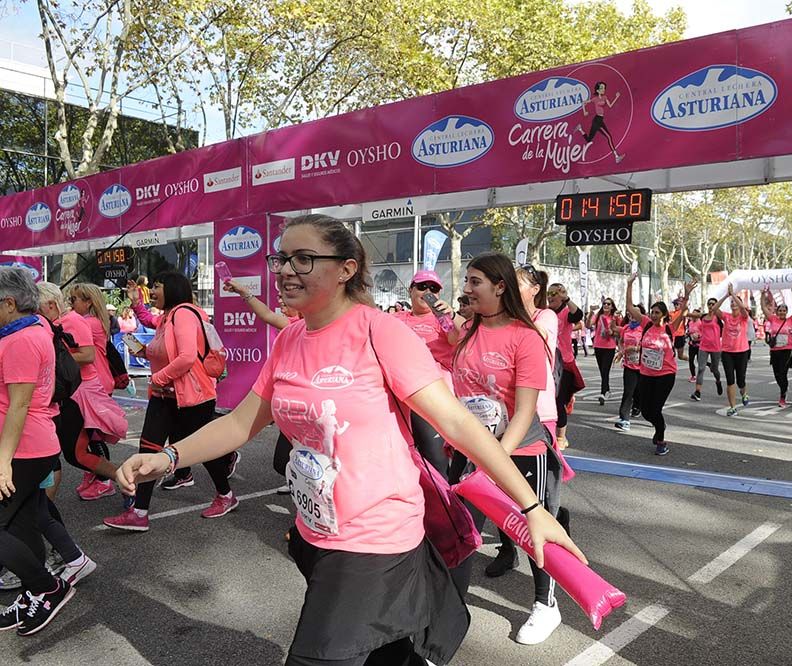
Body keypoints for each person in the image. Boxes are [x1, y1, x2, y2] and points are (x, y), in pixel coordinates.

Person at [115, 217, 583, 665]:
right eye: (281, 259)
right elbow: (241, 423)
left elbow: (459, 425)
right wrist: (168, 457)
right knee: (385, 655)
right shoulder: (291, 338)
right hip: (314, 534)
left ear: (346, 268)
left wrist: (532, 508)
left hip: (376, 539)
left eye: (303, 259)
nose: (285, 271)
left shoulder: (380, 332)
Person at [450, 253, 565, 645]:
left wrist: (494, 458)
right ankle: (446, 614)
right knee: (460, 530)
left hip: (522, 450)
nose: (467, 289)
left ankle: (545, 604)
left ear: (501, 287)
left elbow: (525, 409)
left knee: (534, 528)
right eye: (467, 281)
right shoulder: (467, 331)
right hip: (473, 451)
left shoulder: (526, 336)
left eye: (475, 281)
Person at [104, 271, 239, 531]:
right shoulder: (167, 317)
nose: (150, 290)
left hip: (192, 399)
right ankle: (139, 512)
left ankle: (226, 494)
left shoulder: (184, 314)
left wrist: (158, 378)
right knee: (148, 450)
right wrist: (135, 306)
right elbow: (150, 329)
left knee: (203, 452)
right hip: (164, 397)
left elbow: (187, 357)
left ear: (173, 288)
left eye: (156, 285)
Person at [0, 268, 76, 636]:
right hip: (30, 444)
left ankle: (47, 586)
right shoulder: (29, 329)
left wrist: (2, 463)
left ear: (10, 303)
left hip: (22, 449)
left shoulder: (20, 340)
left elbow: (19, 405)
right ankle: (34, 592)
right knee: (22, 523)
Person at [485, 264, 563, 579]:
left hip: (537, 418)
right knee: (501, 492)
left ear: (534, 289)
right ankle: (507, 549)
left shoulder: (545, 317)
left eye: (516, 283)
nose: (508, 288)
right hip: (503, 416)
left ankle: (546, 590)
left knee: (536, 500)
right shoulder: (501, 319)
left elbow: (534, 337)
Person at [222, 278, 300, 495]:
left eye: (288, 298)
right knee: (285, 461)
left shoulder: (294, 326)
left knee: (289, 460)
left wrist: (244, 292)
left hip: (304, 409)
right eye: (281, 298)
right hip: (289, 406)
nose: (282, 301)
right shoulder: (290, 325)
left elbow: (266, 315)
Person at [53, 283, 128, 501]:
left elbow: (86, 354)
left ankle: (105, 480)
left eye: (74, 299)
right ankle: (98, 475)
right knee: (85, 440)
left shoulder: (88, 322)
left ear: (89, 302)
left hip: (92, 384)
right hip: (93, 382)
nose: (71, 303)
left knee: (92, 440)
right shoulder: (91, 321)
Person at [395, 269, 462, 476]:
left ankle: (446, 504)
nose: (427, 291)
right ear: (411, 290)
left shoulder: (441, 319)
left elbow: (457, 338)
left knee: (435, 459)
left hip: (432, 394)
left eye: (433, 288)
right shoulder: (397, 318)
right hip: (399, 393)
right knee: (403, 457)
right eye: (422, 287)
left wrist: (451, 315)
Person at [624, 275, 692, 455]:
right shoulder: (646, 324)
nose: (653, 315)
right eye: (652, 312)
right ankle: (659, 425)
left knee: (655, 408)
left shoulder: (670, 327)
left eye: (657, 313)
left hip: (665, 375)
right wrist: (629, 285)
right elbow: (630, 307)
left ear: (664, 315)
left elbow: (684, 310)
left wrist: (686, 294)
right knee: (646, 411)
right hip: (646, 374)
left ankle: (661, 438)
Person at [547, 283, 585, 449]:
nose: (551, 296)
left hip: (564, 364)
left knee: (558, 401)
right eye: (549, 292)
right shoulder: (545, 312)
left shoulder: (565, 312)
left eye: (555, 293)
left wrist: (567, 299)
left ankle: (561, 437)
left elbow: (578, 315)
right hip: (546, 361)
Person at [712, 284, 752, 416]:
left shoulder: (744, 317)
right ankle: (733, 407)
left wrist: (734, 295)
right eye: (732, 303)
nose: (734, 305)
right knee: (730, 380)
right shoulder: (726, 317)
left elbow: (742, 308)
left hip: (742, 351)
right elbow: (714, 308)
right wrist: (726, 296)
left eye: (736, 303)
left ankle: (744, 393)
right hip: (728, 352)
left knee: (741, 380)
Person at [762, 288, 792, 408]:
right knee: (777, 374)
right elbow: (764, 308)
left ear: (786, 312)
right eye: (780, 310)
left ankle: (782, 396)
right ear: (777, 311)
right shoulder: (773, 319)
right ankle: (784, 388)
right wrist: (763, 295)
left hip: (787, 350)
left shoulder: (791, 320)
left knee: (783, 373)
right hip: (775, 351)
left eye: (784, 310)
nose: (782, 312)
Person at [574, 81, 625, 163]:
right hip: (597, 120)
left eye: (604, 88)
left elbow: (610, 105)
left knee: (589, 140)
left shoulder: (605, 97)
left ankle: (580, 129)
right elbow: (584, 102)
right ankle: (616, 157)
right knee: (608, 137)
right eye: (601, 88)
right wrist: (584, 111)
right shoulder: (595, 99)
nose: (603, 89)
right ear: (597, 90)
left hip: (599, 119)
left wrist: (616, 97)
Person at [613, 307, 645, 430]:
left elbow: (649, 344)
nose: (631, 315)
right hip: (630, 365)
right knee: (628, 392)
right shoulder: (626, 327)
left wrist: (635, 349)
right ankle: (624, 419)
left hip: (643, 366)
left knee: (641, 392)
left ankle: (648, 413)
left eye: (635, 312)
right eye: (630, 313)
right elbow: (620, 341)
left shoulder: (644, 328)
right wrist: (621, 350)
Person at [691, 298, 723, 402]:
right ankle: (697, 392)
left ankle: (718, 381)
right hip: (703, 346)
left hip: (715, 347)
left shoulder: (718, 318)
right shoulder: (703, 317)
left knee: (714, 370)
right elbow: (692, 317)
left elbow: (723, 331)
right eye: (709, 304)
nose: (711, 306)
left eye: (713, 304)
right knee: (701, 368)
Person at [589, 297, 619, 404]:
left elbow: (619, 332)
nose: (606, 305)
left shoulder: (615, 317)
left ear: (612, 306)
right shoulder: (598, 316)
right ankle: (607, 390)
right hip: (598, 346)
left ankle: (603, 393)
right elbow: (588, 325)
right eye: (604, 304)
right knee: (602, 370)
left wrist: (612, 332)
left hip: (609, 347)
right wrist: (590, 313)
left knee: (605, 370)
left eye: (609, 304)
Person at [686, 309, 702, 382]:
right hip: (692, 344)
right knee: (691, 360)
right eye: (692, 314)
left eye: (695, 315)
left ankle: (709, 365)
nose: (693, 316)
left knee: (700, 361)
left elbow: (705, 333)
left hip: (699, 345)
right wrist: (688, 334)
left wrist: (698, 336)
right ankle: (693, 376)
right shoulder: (690, 322)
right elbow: (689, 331)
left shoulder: (700, 323)